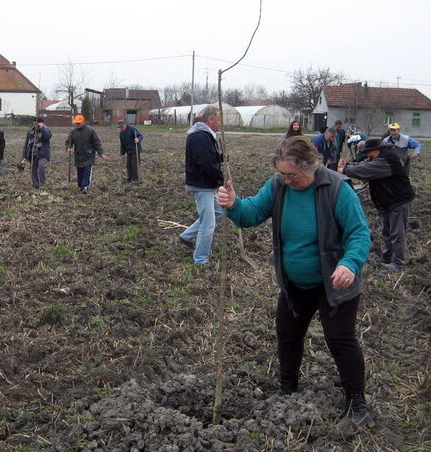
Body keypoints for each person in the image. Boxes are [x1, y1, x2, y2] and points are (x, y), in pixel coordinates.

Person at [217, 136, 373, 428]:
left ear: (311, 167)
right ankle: (287, 389)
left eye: (293, 174)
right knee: (287, 335)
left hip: (334, 283)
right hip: (295, 284)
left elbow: (359, 234)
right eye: (282, 173)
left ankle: (357, 404)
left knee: (340, 340)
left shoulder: (337, 189)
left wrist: (349, 263)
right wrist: (234, 204)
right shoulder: (278, 186)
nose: (287, 179)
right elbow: (251, 214)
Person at [338, 138, 415, 272]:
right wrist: (349, 164)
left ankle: (398, 264)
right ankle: (386, 259)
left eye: (369, 152)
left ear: (377, 149)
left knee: (397, 234)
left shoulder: (386, 160)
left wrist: (345, 169)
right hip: (387, 202)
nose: (367, 155)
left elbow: (364, 170)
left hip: (399, 201)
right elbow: (362, 164)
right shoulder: (378, 157)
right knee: (386, 232)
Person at [178, 105, 224, 265]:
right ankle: (200, 259)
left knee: (219, 212)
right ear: (210, 120)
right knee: (208, 224)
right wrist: (220, 181)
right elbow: (205, 164)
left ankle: (186, 237)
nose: (220, 123)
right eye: (218, 119)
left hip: (207, 184)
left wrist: (221, 158)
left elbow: (210, 158)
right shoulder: (200, 137)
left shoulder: (206, 136)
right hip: (202, 184)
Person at [65, 114, 106, 193]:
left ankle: (85, 187)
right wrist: (68, 148)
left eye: (78, 123)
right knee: (80, 171)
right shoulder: (73, 132)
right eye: (76, 123)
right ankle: (81, 186)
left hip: (88, 155)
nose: (77, 125)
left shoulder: (90, 130)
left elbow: (96, 142)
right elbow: (68, 142)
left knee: (87, 171)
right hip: (78, 155)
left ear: (83, 122)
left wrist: (101, 153)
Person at [21, 117, 52, 189]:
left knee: (41, 167)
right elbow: (26, 144)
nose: (36, 125)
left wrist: (42, 128)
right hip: (32, 154)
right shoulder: (30, 132)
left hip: (42, 154)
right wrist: (25, 154)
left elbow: (48, 137)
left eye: (37, 124)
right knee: (33, 171)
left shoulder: (46, 130)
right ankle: (36, 185)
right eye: (34, 123)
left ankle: (42, 184)